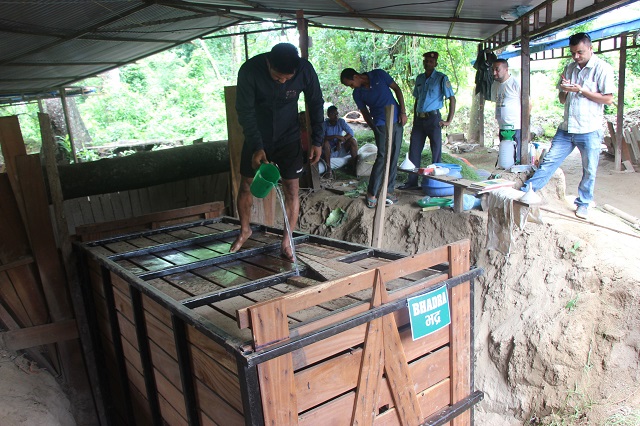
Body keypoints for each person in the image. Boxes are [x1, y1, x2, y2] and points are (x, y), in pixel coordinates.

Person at [231, 43, 324, 259]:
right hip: (258, 136)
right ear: (268, 63)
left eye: (287, 78)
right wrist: (257, 146)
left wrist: (317, 140)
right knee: (246, 184)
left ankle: (286, 241)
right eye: (278, 77)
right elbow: (244, 111)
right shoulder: (250, 71)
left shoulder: (304, 70)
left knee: (292, 189)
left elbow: (315, 103)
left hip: (289, 137)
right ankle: (245, 229)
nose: (283, 81)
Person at [522, 32, 614, 220]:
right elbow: (562, 99)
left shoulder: (603, 68)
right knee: (549, 161)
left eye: (580, 52)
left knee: (589, 169)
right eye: (573, 53)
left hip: (589, 129)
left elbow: (608, 99)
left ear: (590, 48)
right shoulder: (570, 68)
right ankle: (527, 190)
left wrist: (581, 90)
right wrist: (565, 90)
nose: (576, 57)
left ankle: (584, 203)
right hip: (567, 128)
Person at [340, 68, 407, 208]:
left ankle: (388, 190)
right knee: (382, 156)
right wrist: (374, 127)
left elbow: (397, 89)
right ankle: (372, 192)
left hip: (396, 120)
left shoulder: (379, 75)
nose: (351, 87)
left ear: (356, 76)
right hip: (380, 124)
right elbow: (364, 112)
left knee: (394, 155)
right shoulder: (357, 93)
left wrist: (403, 112)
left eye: (351, 84)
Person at [399, 51, 456, 190]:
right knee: (414, 151)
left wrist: (448, 120)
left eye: (431, 62)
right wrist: (414, 117)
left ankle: (434, 183)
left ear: (435, 63)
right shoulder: (419, 78)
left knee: (436, 151)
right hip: (419, 119)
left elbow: (452, 98)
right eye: (426, 61)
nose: (428, 63)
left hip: (434, 119)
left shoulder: (442, 78)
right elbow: (417, 99)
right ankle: (412, 182)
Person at [490, 59, 522, 162]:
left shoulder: (515, 83)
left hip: (515, 127)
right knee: (506, 156)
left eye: (497, 69)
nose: (494, 72)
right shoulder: (495, 84)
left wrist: (524, 123)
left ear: (506, 69)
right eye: (493, 69)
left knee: (516, 156)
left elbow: (528, 103)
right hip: (503, 126)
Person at [321, 105, 358, 176]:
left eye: (337, 114)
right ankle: (329, 170)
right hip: (329, 150)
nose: (336, 116)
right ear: (328, 115)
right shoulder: (324, 124)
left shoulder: (340, 121)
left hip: (339, 148)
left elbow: (351, 133)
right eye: (333, 114)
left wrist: (340, 141)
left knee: (352, 141)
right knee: (325, 143)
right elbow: (321, 138)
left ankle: (355, 167)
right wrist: (335, 136)